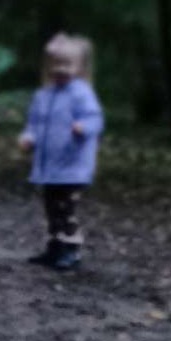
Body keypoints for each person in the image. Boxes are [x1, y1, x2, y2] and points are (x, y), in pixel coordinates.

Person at [19, 33, 104, 271]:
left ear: (79, 67)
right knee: (51, 208)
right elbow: (34, 123)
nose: (61, 69)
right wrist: (29, 138)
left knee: (66, 209)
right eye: (56, 63)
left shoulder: (81, 93)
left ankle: (72, 249)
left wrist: (83, 128)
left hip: (72, 165)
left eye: (67, 64)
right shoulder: (43, 95)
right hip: (49, 166)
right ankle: (54, 246)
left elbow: (95, 119)